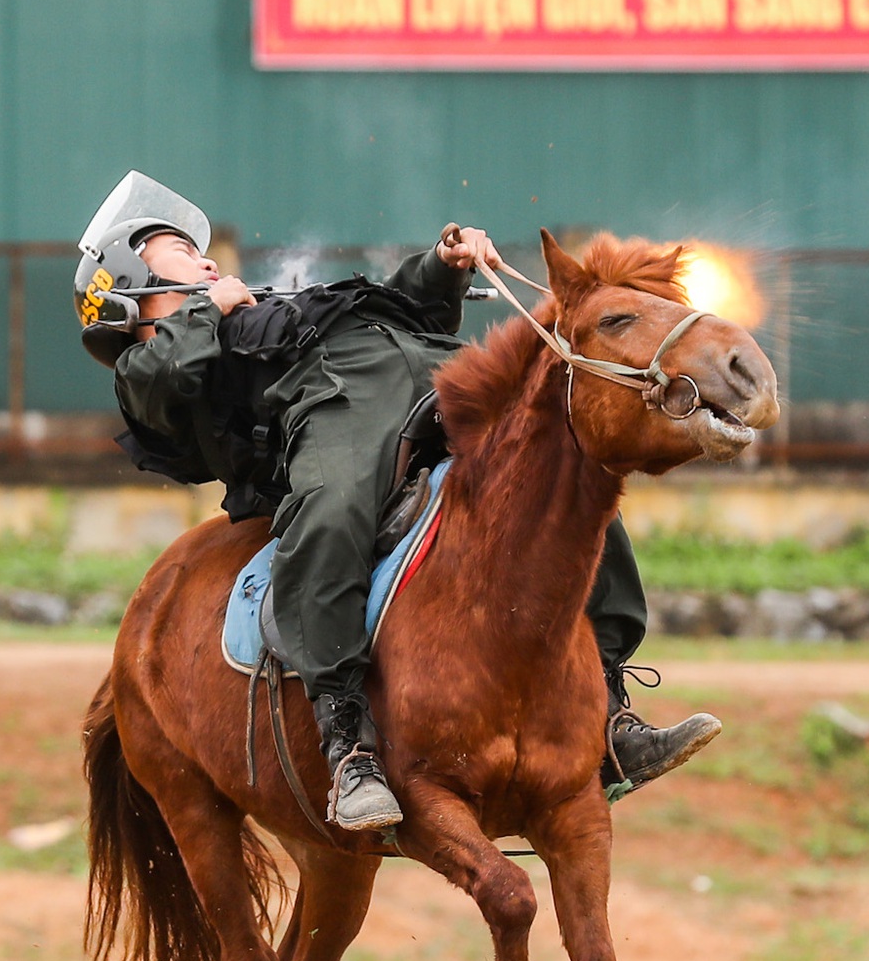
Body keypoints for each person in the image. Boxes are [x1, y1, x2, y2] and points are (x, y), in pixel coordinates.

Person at [72, 172, 719, 831]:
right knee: (331, 513)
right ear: (135, 295)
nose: (206, 259)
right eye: (180, 255)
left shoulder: (271, 302)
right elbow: (160, 382)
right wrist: (212, 309)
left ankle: (611, 716)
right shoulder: (151, 360)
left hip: (451, 386)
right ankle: (348, 744)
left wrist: (439, 266)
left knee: (573, 482)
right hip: (336, 416)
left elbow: (395, 308)